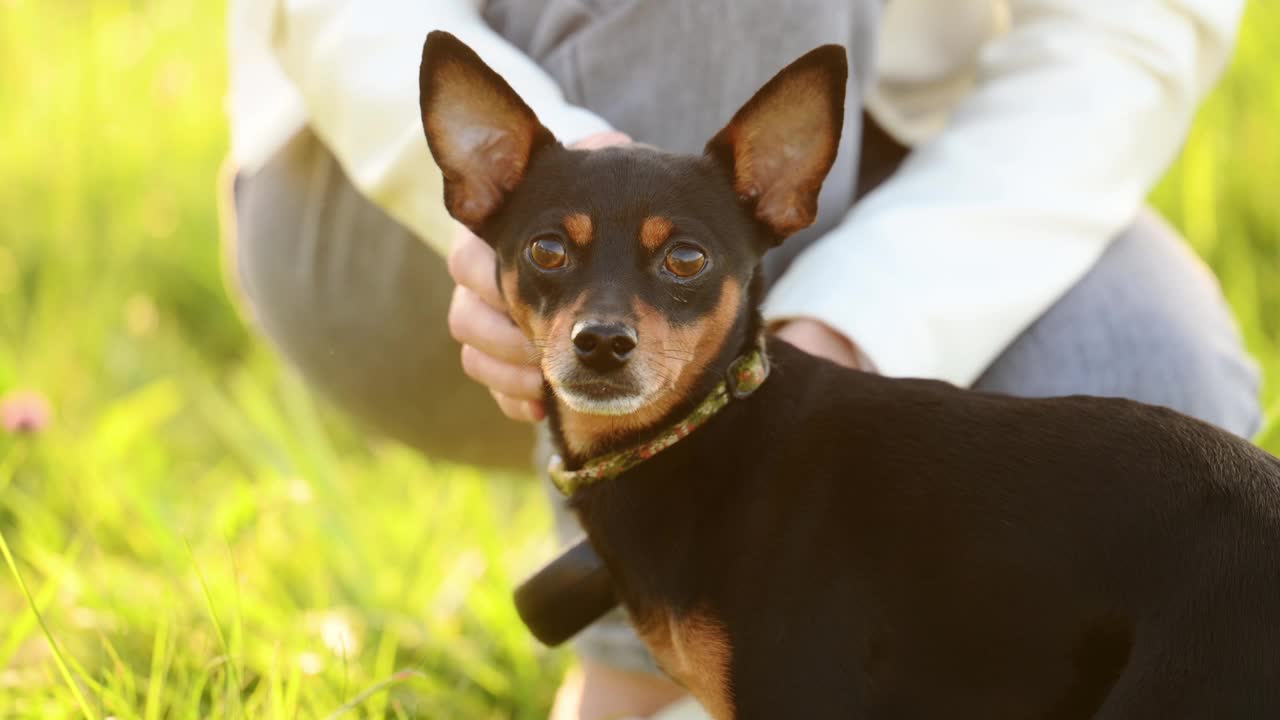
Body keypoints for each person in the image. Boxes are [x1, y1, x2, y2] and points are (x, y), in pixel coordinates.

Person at [223, 1, 1260, 717]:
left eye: (671, 264)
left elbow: (1128, 36)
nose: (606, 323)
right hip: (369, 191)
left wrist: (851, 324)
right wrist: (567, 182)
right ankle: (635, 677)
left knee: (1164, 404)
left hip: (912, 143)